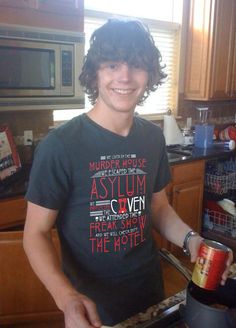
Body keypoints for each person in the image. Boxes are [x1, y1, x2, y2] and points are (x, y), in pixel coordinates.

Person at [23, 18, 233, 328]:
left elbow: (158, 206)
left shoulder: (151, 137)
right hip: (91, 308)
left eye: (136, 66)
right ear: (95, 73)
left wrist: (192, 239)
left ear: (149, 76)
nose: (124, 76)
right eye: (111, 65)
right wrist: (66, 297)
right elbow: (35, 234)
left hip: (150, 292)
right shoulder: (60, 145)